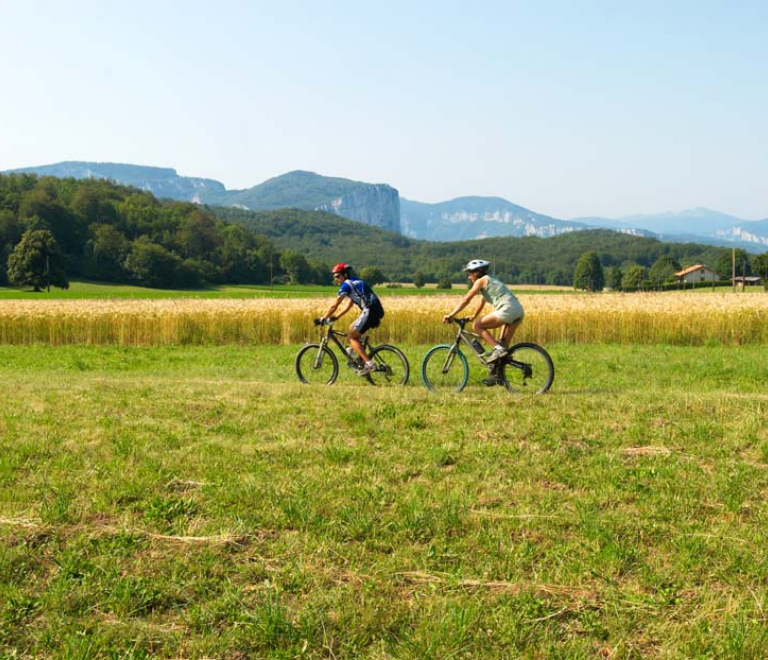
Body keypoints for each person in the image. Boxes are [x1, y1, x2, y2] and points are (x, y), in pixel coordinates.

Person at [442, 259, 524, 386]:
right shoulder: (490, 280)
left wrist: (451, 315)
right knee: (503, 348)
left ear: (476, 273)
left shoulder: (480, 281)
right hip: (518, 311)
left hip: (507, 310)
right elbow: (482, 300)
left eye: (470, 273)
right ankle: (497, 376)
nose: (469, 277)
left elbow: (467, 298)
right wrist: (474, 315)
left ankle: (497, 349)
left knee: (477, 326)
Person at [316, 262, 385, 376]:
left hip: (370, 310)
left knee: (352, 337)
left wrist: (323, 318)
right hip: (376, 310)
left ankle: (368, 363)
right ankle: (356, 354)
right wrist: (337, 317)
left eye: (338, 276)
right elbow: (350, 304)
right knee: (352, 328)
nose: (336, 279)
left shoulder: (346, 285)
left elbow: (335, 305)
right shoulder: (355, 282)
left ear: (345, 275)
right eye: (334, 277)